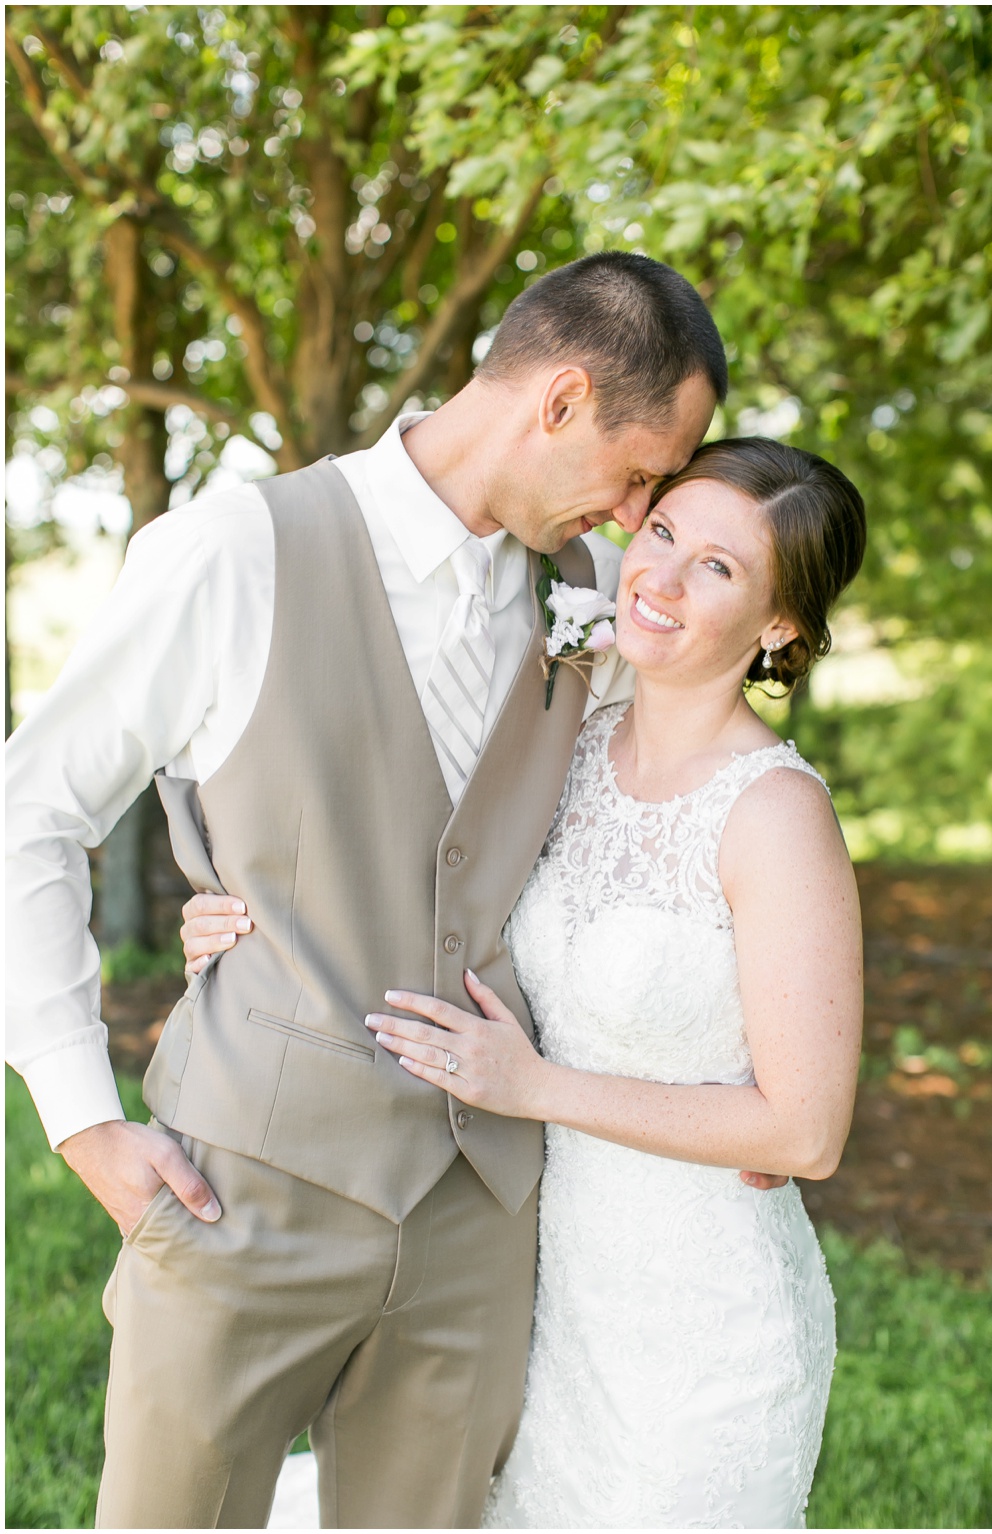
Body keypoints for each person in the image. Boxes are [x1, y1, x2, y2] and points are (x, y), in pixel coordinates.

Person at [5, 251, 738, 1528]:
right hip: (244, 1193)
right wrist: (80, 1116)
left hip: (479, 1219)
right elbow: (32, 810)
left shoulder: (583, 602)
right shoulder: (236, 550)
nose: (635, 518)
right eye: (636, 474)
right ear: (558, 400)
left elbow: (638, 828)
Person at [190, 439, 867, 1527]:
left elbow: (802, 1133)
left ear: (779, 627)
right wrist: (245, 918)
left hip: (695, 1327)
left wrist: (533, 1085)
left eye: (720, 570)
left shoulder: (775, 815)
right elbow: (421, 882)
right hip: (537, 1295)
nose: (660, 577)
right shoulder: (573, 733)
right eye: (661, 535)